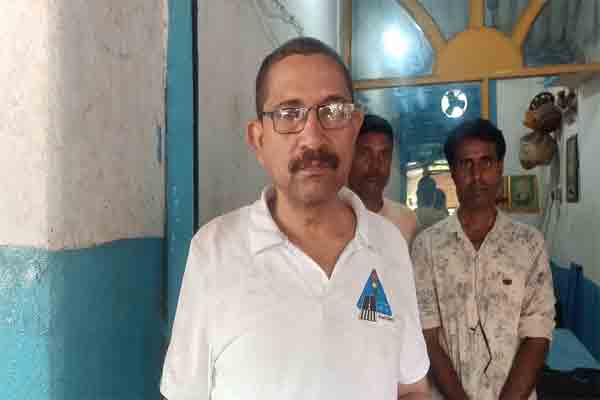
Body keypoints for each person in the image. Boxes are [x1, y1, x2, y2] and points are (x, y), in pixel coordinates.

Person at [160, 37, 430, 400]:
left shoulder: (389, 245)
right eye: (289, 114)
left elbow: (411, 388)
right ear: (258, 140)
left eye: (333, 111)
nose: (313, 137)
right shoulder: (214, 251)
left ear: (354, 127)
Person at [411, 118, 555, 399]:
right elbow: (427, 338)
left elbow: (537, 334)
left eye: (486, 162)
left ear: (499, 168)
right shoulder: (426, 247)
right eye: (465, 164)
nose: (476, 176)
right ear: (453, 173)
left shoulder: (529, 244)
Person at [348, 114, 418, 243]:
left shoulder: (407, 221)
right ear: (349, 157)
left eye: (384, 155)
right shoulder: (331, 219)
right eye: (365, 154)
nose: (375, 165)